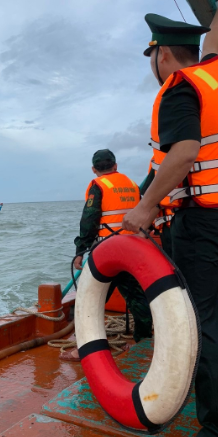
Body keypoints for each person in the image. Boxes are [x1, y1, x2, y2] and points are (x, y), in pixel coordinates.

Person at [123, 0, 218, 437]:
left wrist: (144, 207)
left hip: (199, 225)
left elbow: (183, 153)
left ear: (161, 54)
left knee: (201, 325)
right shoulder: (217, 73)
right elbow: (215, 42)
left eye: (153, 57)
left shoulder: (179, 90)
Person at [63, 150, 153, 362]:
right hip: (132, 247)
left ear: (94, 169)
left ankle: (83, 349)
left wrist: (80, 250)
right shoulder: (132, 184)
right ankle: (144, 342)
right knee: (137, 297)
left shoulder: (98, 185)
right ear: (115, 165)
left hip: (108, 251)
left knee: (90, 299)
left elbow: (89, 220)